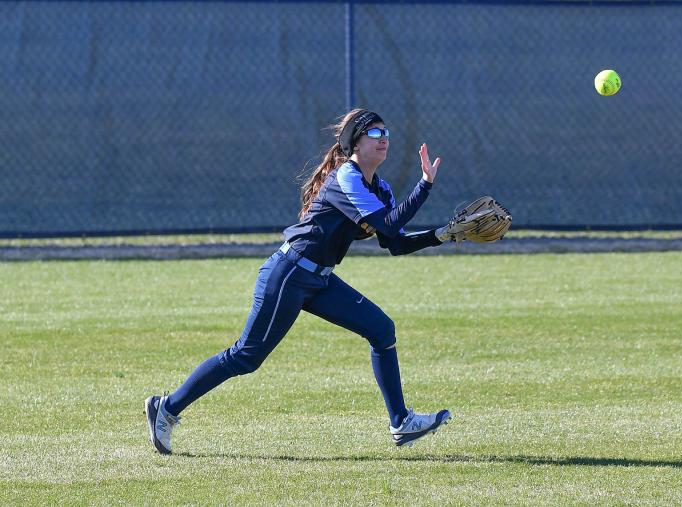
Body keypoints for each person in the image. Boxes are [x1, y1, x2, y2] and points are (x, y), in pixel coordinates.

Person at [145, 108, 459, 454]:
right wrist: (425, 186)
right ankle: (167, 408)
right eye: (374, 133)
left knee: (382, 330)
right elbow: (386, 224)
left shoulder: (380, 188)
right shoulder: (346, 177)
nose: (383, 138)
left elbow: (395, 243)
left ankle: (400, 422)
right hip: (289, 273)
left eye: (386, 132)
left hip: (320, 280)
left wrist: (443, 234)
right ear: (355, 142)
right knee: (245, 356)